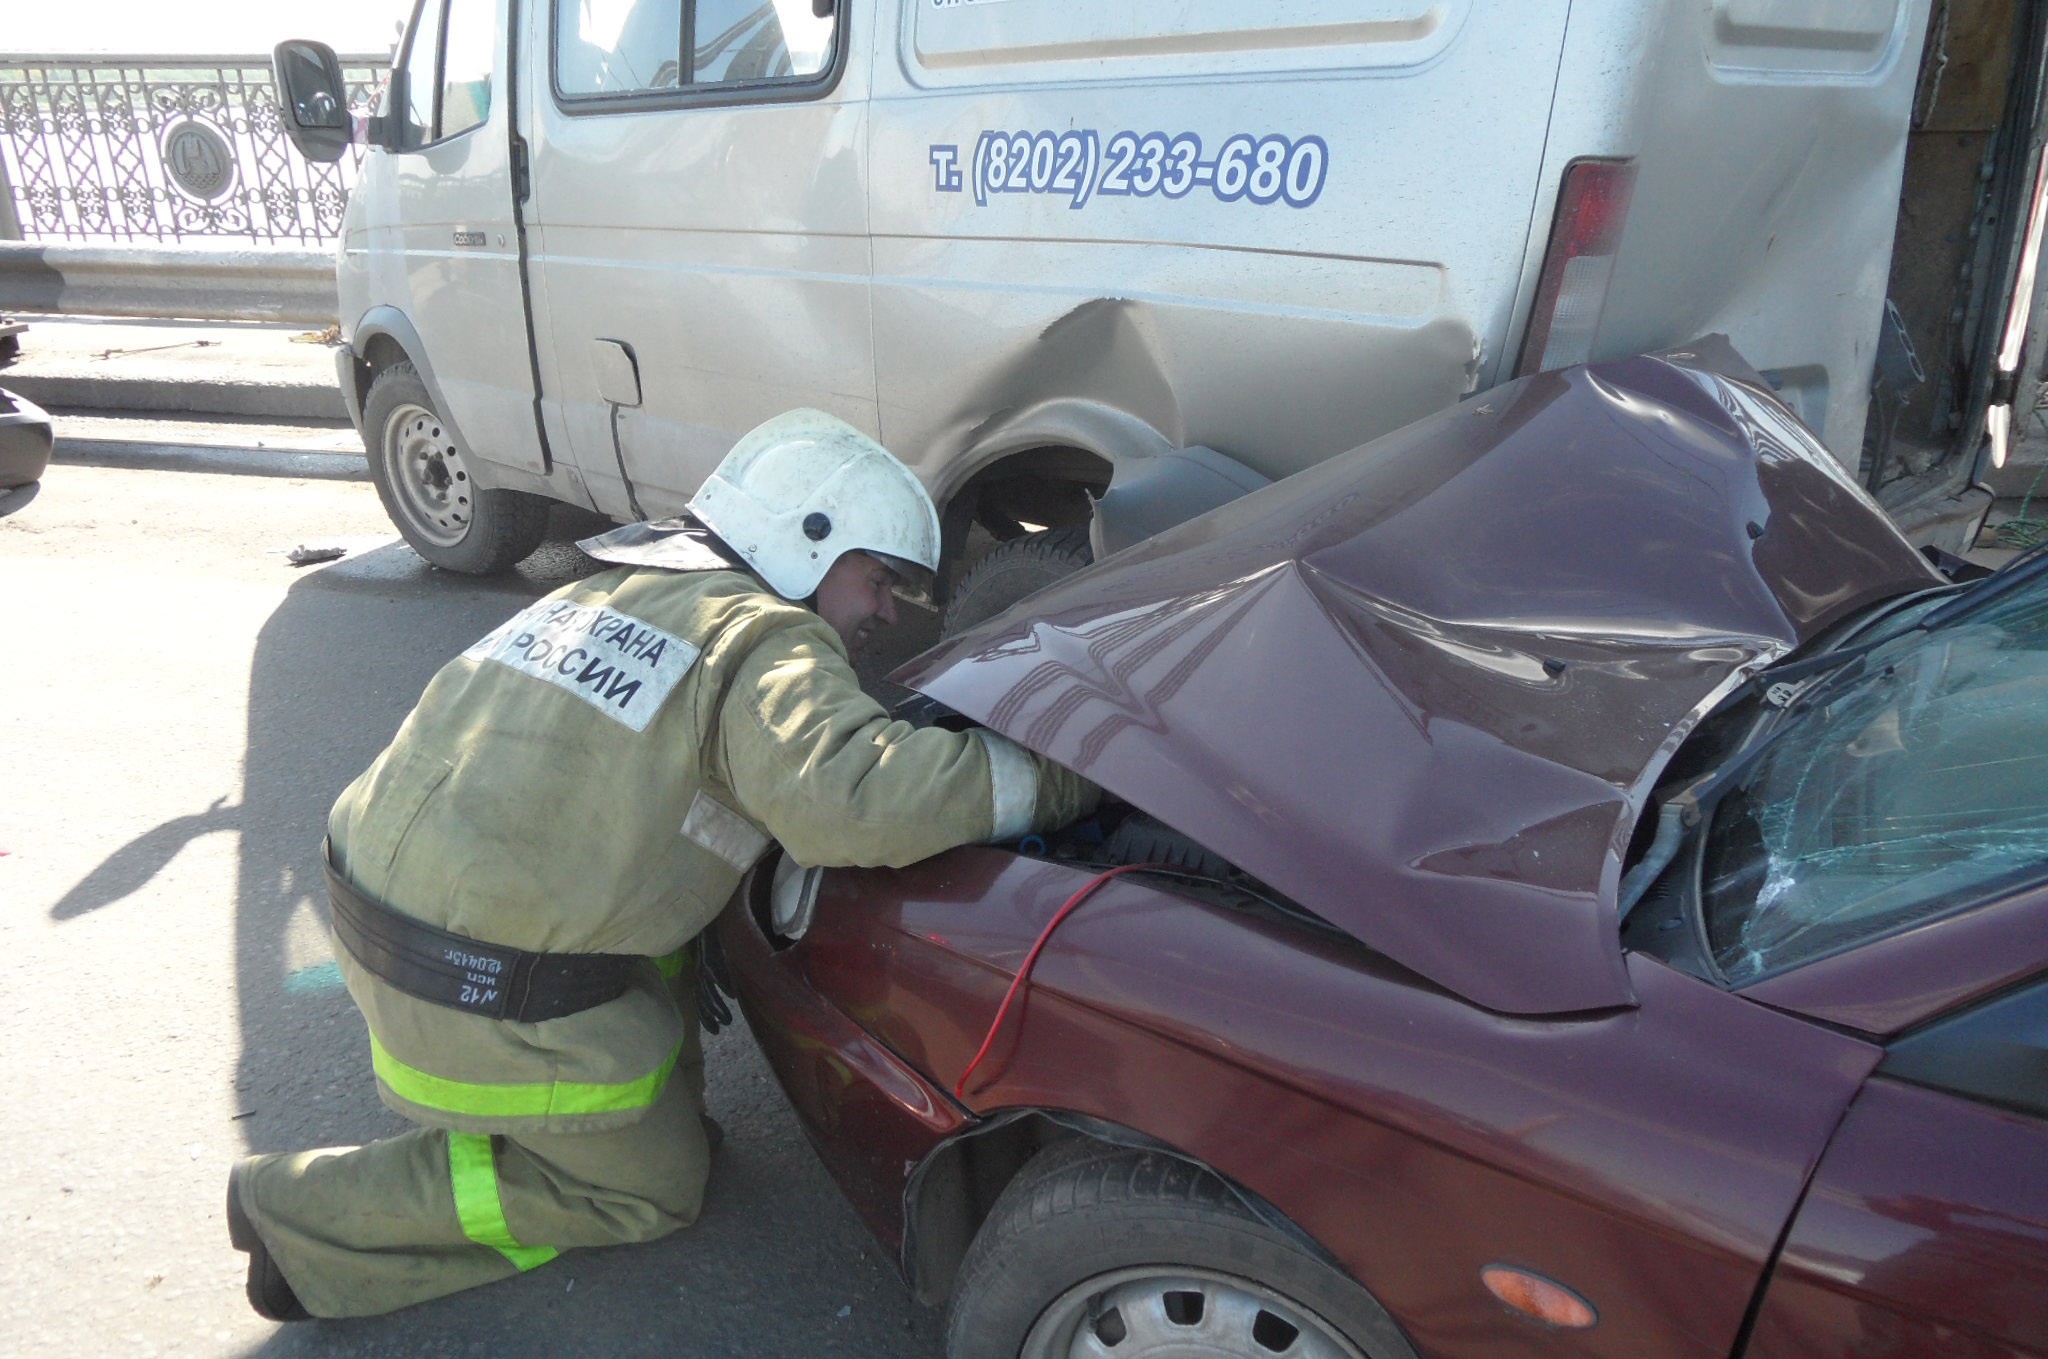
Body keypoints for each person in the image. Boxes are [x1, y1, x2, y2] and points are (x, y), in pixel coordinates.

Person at [226, 409, 1098, 1321]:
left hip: (396, 912)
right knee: (653, 1187)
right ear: (809, 542)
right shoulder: (765, 635)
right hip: (473, 984)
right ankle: (300, 1212)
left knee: (669, 1011)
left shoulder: (619, 584)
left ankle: (590, 1109)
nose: (886, 609)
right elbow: (856, 798)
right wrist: (1060, 775)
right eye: (878, 578)